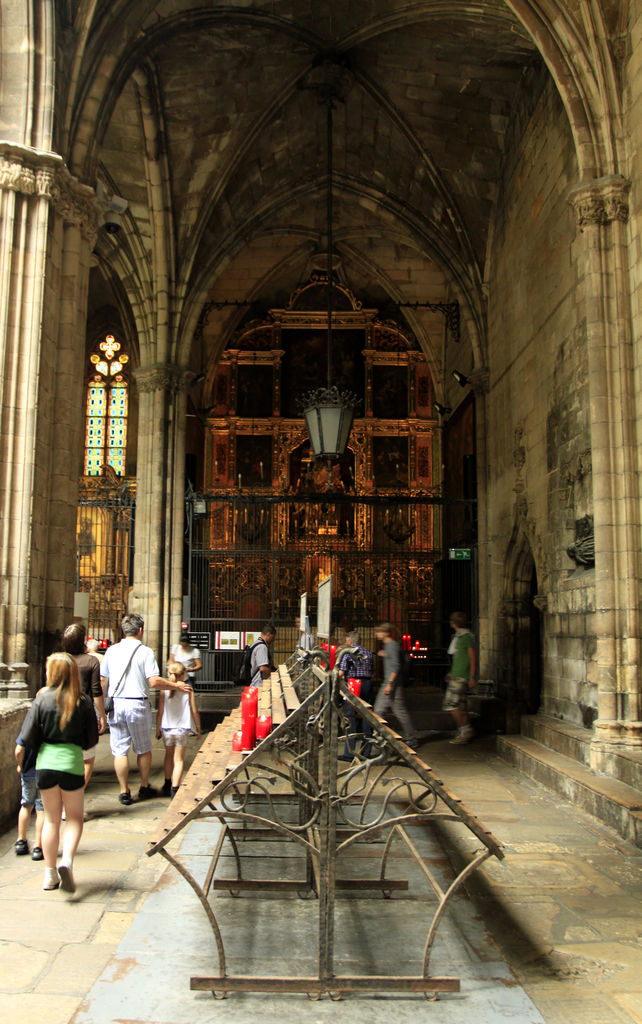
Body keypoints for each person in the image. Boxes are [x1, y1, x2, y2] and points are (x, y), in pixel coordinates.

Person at [19, 652, 99, 891]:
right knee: (74, 818)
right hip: (71, 763)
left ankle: (50, 874)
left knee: (51, 820)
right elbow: (91, 739)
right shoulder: (82, 701)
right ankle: (68, 861)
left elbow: (27, 736)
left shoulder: (41, 700)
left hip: (46, 764)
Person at [100, 612, 192, 805]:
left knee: (119, 750)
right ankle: (143, 786)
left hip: (116, 703)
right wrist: (175, 685)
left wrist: (102, 707)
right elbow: (153, 681)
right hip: (137, 704)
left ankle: (124, 791)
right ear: (140, 630)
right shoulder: (146, 652)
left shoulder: (111, 651)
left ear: (123, 630)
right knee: (143, 749)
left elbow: (103, 680)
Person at [61, 622, 107, 787]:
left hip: (61, 710)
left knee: (65, 753)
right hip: (83, 712)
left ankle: (66, 791)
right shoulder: (91, 661)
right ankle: (77, 791)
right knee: (87, 758)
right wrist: (101, 715)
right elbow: (96, 692)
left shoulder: (59, 660)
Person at [156, 660, 202, 797]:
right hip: (182, 729)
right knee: (179, 759)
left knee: (168, 756)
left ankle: (167, 782)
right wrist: (198, 728)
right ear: (183, 675)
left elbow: (160, 711)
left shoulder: (164, 690)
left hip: (167, 728)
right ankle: (175, 789)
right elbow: (194, 711)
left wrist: (158, 727)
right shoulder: (188, 689)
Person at [373, 622, 417, 749]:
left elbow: (396, 666)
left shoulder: (391, 645)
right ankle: (410, 738)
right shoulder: (390, 646)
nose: (377, 634)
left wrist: (390, 684)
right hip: (392, 683)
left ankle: (380, 737)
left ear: (385, 633)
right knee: (397, 711)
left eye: (379, 632)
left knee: (379, 710)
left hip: (390, 683)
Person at [336, 629, 374, 760]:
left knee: (350, 716)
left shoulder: (348, 653)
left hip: (354, 685)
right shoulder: (368, 653)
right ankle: (366, 751)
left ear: (350, 641)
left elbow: (341, 673)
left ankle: (349, 753)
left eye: (346, 641)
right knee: (366, 717)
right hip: (367, 684)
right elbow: (372, 671)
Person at [444, 611, 476, 745]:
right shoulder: (459, 637)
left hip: (461, 676)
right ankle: (465, 731)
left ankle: (465, 729)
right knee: (461, 706)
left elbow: (472, 657)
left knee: (451, 704)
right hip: (457, 675)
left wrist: (472, 677)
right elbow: (459, 658)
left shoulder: (466, 637)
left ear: (454, 623)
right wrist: (451, 672)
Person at [14, 732, 44, 860]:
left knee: (26, 805)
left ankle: (21, 841)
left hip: (28, 774)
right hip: (44, 773)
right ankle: (38, 847)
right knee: (41, 811)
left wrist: (21, 766)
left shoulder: (29, 727)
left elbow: (19, 750)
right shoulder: (50, 726)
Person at [250, 623, 276, 687]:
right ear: (268, 634)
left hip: (252, 683)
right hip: (257, 685)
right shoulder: (262, 647)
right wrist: (276, 675)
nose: (273, 640)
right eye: (273, 637)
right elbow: (263, 668)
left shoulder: (254, 643)